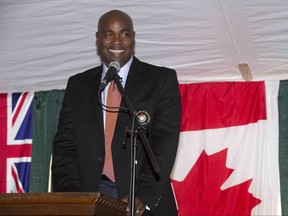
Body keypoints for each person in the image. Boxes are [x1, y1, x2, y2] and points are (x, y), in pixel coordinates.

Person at [52, 9, 181, 216]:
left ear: (133, 38)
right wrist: (73, 199)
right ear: (98, 39)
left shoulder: (160, 80)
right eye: (108, 34)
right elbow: (65, 148)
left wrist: (143, 197)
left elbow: (164, 144)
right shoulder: (77, 85)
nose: (117, 41)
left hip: (140, 199)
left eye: (125, 33)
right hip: (91, 198)